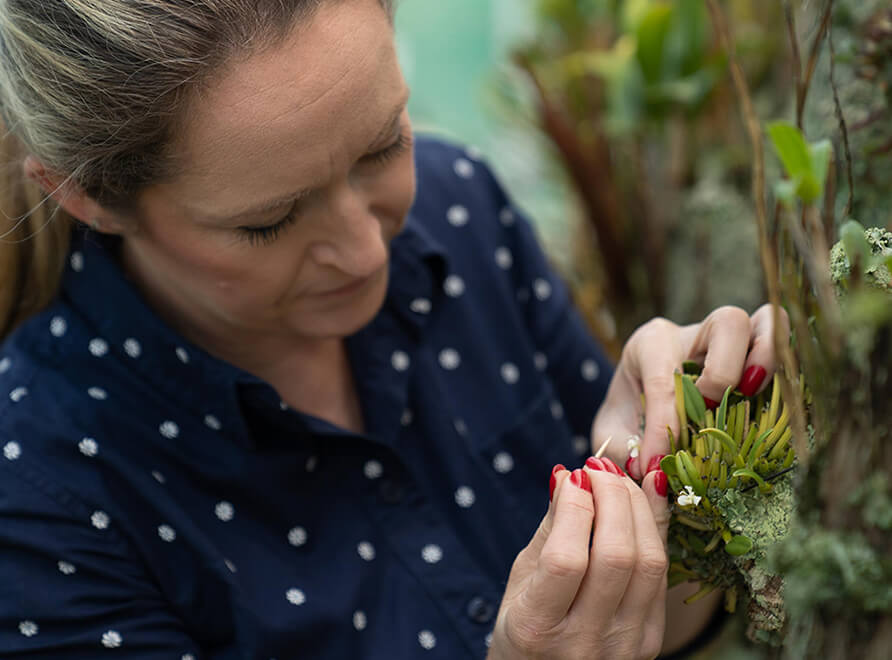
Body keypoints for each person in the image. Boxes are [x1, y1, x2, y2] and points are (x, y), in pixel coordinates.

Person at [0, 1, 787, 657]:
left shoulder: (460, 212)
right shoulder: (42, 497)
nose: (367, 249)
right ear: (85, 198)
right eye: (270, 222)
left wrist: (693, 472)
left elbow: (665, 622)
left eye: (384, 145)